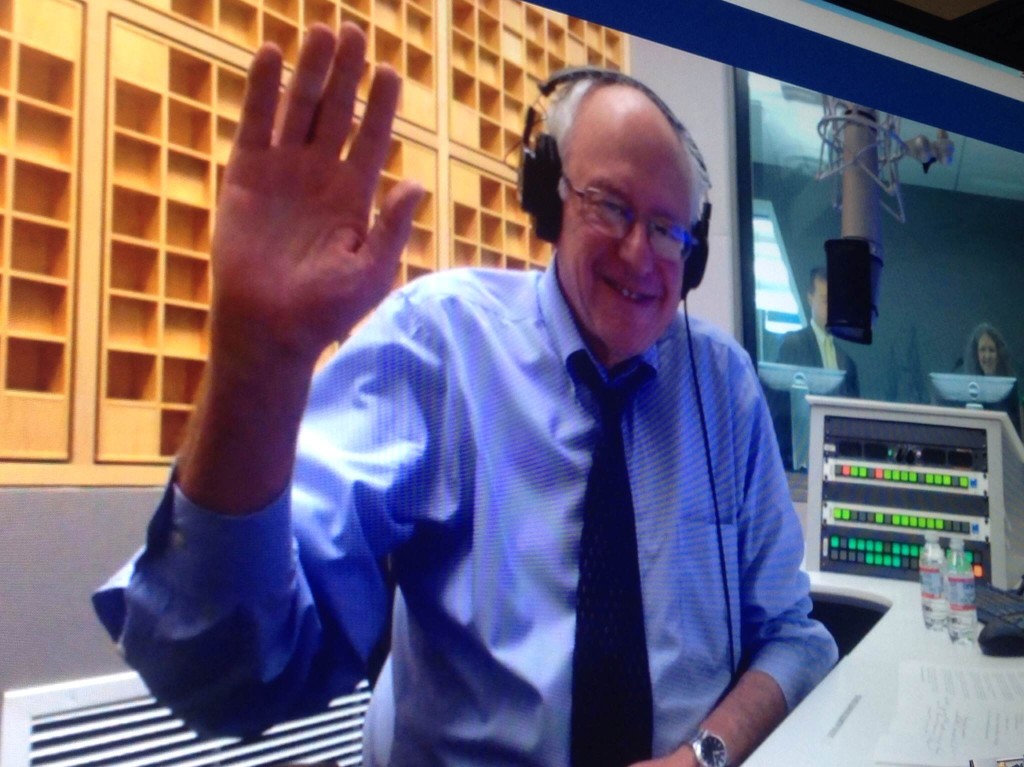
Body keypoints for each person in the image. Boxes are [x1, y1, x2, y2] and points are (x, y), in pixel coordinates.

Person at [93, 23, 837, 767]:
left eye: (669, 229)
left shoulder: (724, 387)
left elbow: (795, 636)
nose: (641, 253)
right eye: (609, 205)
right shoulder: (437, 345)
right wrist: (258, 361)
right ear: (549, 200)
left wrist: (704, 753)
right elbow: (225, 671)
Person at [776, 267, 860, 395]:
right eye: (826, 300)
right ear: (810, 299)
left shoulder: (848, 363)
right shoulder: (793, 346)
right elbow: (779, 404)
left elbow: (853, 412)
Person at [959, 322, 1021, 433]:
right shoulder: (968, 390)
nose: (987, 356)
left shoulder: (1012, 389)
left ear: (999, 354)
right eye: (982, 350)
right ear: (975, 354)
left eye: (991, 350)